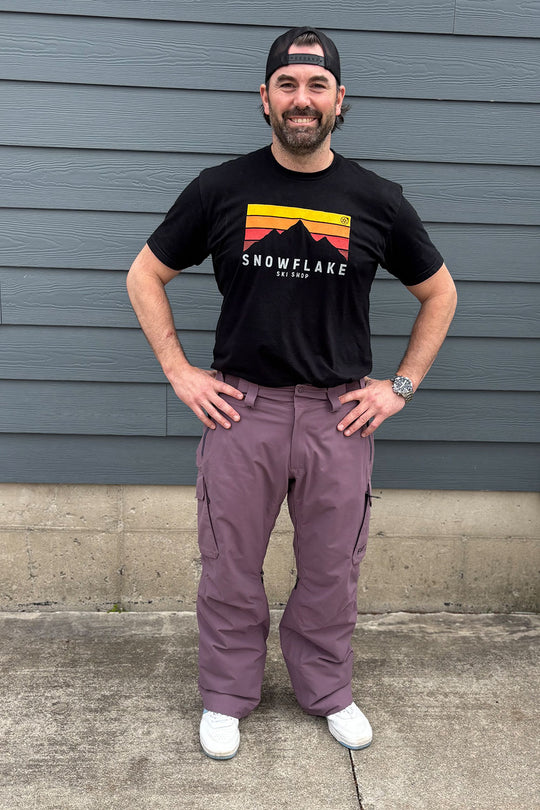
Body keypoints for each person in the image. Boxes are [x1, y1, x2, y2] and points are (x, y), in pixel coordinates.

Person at [126, 26, 457, 760]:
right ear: (265, 99)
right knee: (230, 564)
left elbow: (440, 294)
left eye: (316, 86)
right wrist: (179, 370)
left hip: (340, 418)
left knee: (333, 568)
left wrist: (399, 387)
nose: (300, 100)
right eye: (287, 84)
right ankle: (227, 694)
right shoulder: (221, 188)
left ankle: (326, 689)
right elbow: (143, 275)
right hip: (243, 410)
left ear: (341, 100)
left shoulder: (378, 200)